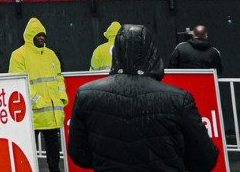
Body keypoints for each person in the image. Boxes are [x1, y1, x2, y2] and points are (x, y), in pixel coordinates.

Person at [67, 23, 218, 172]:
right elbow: (205, 159)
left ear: (116, 52)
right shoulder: (180, 99)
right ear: (153, 53)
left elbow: (79, 154)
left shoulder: (86, 96)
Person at [9, 17, 66, 172]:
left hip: (51, 113)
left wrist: (61, 98)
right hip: (32, 114)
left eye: (43, 35)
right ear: (30, 36)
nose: (41, 38)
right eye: (38, 35)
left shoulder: (51, 55)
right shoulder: (19, 55)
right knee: (29, 151)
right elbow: (19, 83)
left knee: (54, 152)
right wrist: (38, 101)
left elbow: (59, 77)